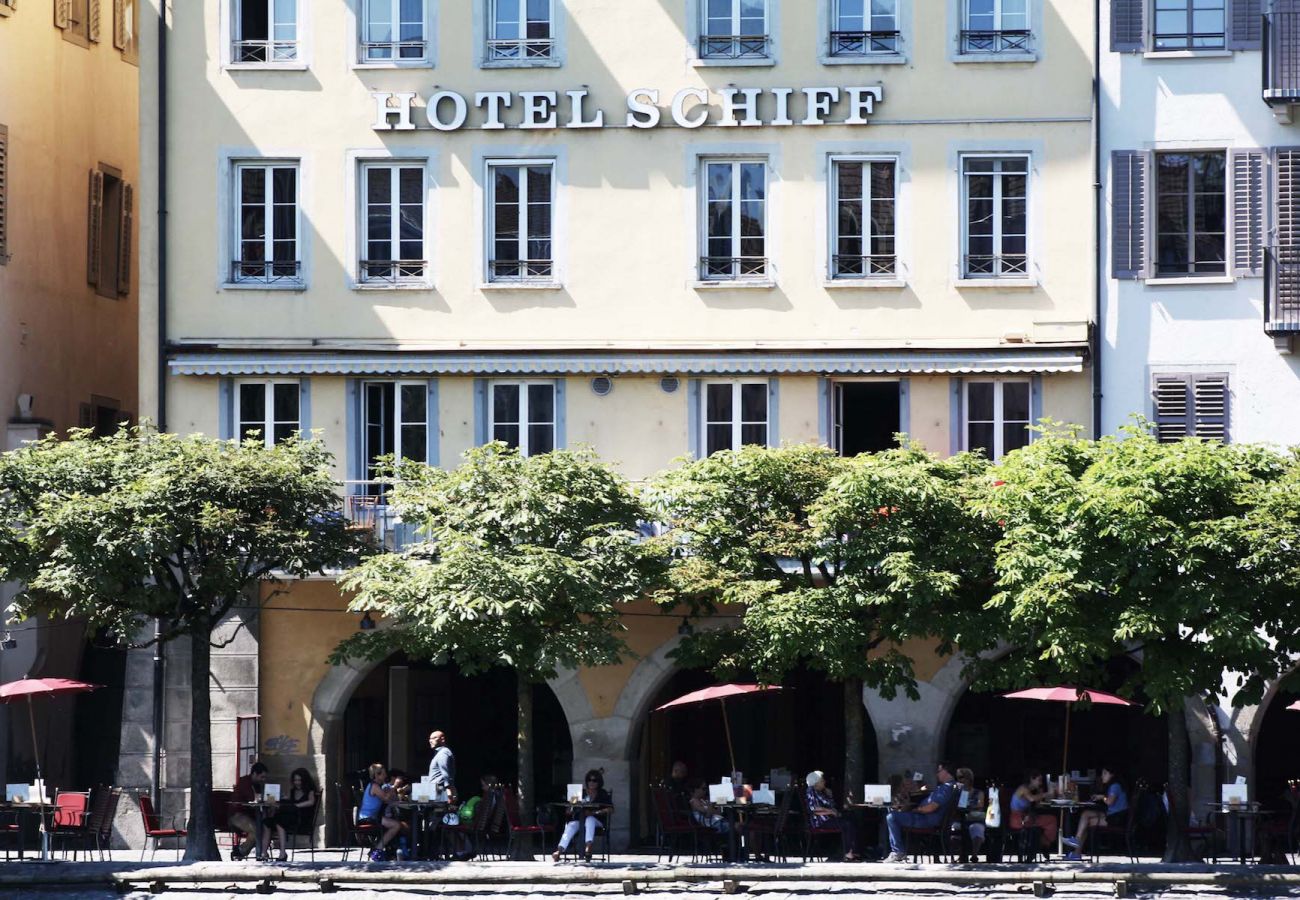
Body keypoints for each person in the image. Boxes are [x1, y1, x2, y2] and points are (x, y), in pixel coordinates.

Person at [884, 761, 957, 863]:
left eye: (939, 771)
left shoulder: (946, 788)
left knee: (891, 817)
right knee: (895, 815)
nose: (937, 774)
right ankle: (898, 851)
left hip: (926, 819)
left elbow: (931, 807)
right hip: (928, 818)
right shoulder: (950, 787)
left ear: (946, 771)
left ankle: (898, 852)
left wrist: (916, 809)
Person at [1064, 766, 1127, 860]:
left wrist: (1102, 797)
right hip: (1113, 815)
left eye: (1105, 773)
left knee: (1086, 822)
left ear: (1112, 775)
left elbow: (1109, 802)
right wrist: (1100, 797)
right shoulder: (1114, 785)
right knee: (1085, 814)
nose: (1102, 776)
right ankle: (1076, 844)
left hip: (1116, 818)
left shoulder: (1115, 786)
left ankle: (1076, 850)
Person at [552, 769, 612, 862]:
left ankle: (588, 847)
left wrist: (594, 813)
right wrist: (571, 804)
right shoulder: (580, 792)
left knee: (590, 819)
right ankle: (559, 851)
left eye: (594, 780)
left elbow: (610, 809)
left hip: (597, 820)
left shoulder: (602, 793)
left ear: (599, 782)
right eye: (589, 780)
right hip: (579, 820)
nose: (591, 782)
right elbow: (569, 810)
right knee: (571, 825)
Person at [263, 768, 318, 862]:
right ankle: (264, 853)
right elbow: (288, 801)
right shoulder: (293, 791)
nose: (297, 782)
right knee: (267, 822)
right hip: (290, 817)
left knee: (279, 821)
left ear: (304, 780)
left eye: (299, 780)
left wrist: (296, 806)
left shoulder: (310, 790)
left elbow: (311, 802)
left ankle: (282, 853)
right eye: (295, 780)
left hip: (302, 819)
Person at [805, 771, 861, 862]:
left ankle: (854, 851)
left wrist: (830, 796)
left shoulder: (821, 792)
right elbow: (814, 808)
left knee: (851, 816)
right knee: (847, 824)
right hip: (821, 821)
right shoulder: (811, 791)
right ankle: (848, 853)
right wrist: (830, 811)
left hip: (829, 818)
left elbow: (832, 805)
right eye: (822, 780)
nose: (824, 782)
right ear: (816, 783)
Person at [358, 762, 404, 862]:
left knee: (394, 821)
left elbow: (387, 798)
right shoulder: (374, 786)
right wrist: (395, 786)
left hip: (372, 816)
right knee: (396, 825)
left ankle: (381, 849)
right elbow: (386, 798)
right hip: (368, 817)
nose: (386, 775)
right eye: (383, 773)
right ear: (377, 775)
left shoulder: (377, 785)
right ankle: (377, 850)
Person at [1009, 769, 1058, 852]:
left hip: (1025, 818)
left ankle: (1040, 845)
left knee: (1049, 819)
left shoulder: (1031, 791)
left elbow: (1039, 806)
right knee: (1052, 820)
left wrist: (1042, 793)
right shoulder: (1023, 788)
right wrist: (1047, 793)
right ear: (1032, 778)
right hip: (1018, 819)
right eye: (1039, 780)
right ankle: (1043, 845)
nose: (1041, 783)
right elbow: (1031, 799)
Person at [229, 762, 269, 861]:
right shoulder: (244, 782)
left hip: (251, 815)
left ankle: (242, 851)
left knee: (263, 829)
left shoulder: (258, 785)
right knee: (257, 830)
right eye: (262, 777)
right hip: (237, 815)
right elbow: (252, 798)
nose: (263, 780)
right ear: (254, 774)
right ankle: (241, 851)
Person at [955, 767, 987, 860]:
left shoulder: (978, 792)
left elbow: (980, 805)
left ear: (969, 778)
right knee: (954, 829)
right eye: (957, 778)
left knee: (977, 829)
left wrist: (968, 805)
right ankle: (961, 854)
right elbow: (959, 807)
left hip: (975, 819)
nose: (959, 780)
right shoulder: (957, 793)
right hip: (960, 819)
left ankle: (974, 855)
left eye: (961, 777)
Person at [428, 731, 457, 803]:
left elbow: (445, 773)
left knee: (439, 809)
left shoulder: (443, 753)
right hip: (437, 790)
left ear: (442, 739)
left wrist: (449, 791)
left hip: (440, 791)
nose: (430, 741)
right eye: (430, 739)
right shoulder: (439, 753)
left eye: (434, 738)